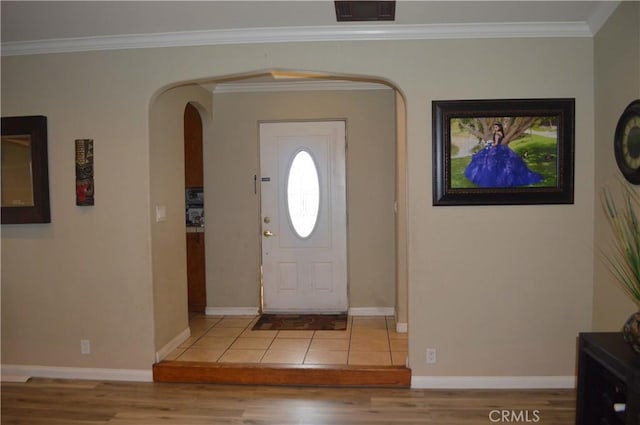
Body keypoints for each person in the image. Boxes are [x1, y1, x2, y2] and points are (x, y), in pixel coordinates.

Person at [463, 123, 542, 187]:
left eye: (496, 127)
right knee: (501, 164)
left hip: (496, 148)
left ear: (499, 127)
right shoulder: (500, 133)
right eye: (494, 127)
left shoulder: (497, 134)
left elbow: (496, 143)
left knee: (492, 164)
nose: (495, 128)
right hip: (501, 148)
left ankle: (496, 180)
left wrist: (489, 145)